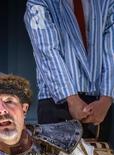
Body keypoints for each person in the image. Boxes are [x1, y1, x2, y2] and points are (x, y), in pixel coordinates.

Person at [24, 0, 114, 144]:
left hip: (101, 104)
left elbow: (111, 50)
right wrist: (71, 98)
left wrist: (106, 98)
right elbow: (47, 51)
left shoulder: (106, 2)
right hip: (56, 101)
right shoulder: (39, 3)